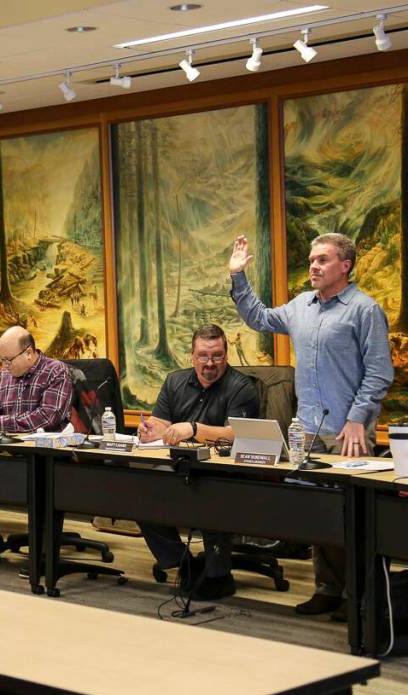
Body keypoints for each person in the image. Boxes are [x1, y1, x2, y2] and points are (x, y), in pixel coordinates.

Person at [229, 232, 394, 619]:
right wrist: (238, 277)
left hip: (347, 433)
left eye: (322, 260)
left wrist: (358, 419)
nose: (313, 266)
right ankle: (328, 590)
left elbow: (379, 373)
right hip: (306, 433)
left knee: (352, 519)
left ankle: (362, 600)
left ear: (345, 266)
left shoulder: (364, 310)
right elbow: (259, 317)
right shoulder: (301, 306)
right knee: (321, 515)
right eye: (311, 259)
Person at [136, 324, 260, 600]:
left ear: (226, 355)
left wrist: (193, 429)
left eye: (217, 355)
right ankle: (183, 563)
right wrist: (149, 431)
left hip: (224, 472)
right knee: (141, 490)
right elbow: (160, 425)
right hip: (180, 465)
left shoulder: (242, 387)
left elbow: (236, 434)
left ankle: (218, 575)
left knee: (211, 493)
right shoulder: (174, 381)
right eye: (203, 356)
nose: (210, 363)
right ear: (191, 356)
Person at [0, 326, 73, 565]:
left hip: (47, 452)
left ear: (29, 352)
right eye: (1, 360)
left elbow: (47, 417)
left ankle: (43, 557)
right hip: (10, 446)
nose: (4, 366)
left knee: (41, 478)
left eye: (8, 360)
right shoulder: (4, 377)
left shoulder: (56, 371)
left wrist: (0, 423)